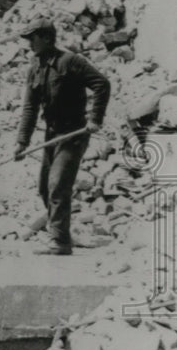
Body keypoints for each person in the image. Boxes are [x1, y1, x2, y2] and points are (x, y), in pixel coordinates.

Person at [14, 17, 110, 255]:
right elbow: (30, 108)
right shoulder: (35, 67)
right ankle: (60, 233)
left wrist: (94, 119)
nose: (29, 43)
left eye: (32, 38)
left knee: (58, 185)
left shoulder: (70, 61)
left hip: (74, 133)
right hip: (52, 134)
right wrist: (21, 142)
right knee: (44, 188)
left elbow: (101, 84)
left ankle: (59, 242)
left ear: (46, 38)